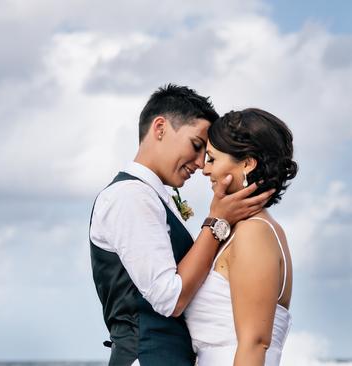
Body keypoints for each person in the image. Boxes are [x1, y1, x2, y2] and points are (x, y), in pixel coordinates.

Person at [89, 85, 275, 366]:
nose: (201, 164)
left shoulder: (151, 197)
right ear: (160, 128)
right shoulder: (129, 196)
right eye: (196, 146)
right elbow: (169, 298)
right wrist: (216, 222)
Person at [184, 108, 298, 366]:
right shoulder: (239, 230)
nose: (203, 168)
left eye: (212, 159)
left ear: (247, 163)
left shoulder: (254, 233)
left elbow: (254, 344)